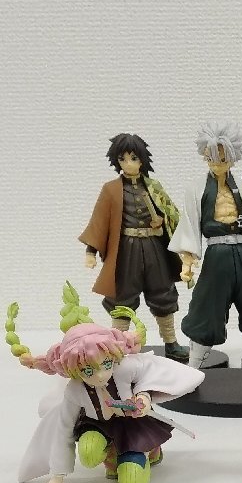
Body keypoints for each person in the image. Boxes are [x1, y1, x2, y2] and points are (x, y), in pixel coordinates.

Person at [9, 283, 203, 483]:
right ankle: (110, 456)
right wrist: (57, 475)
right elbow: (64, 429)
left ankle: (146, 452)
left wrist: (143, 398)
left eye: (107, 363)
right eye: (87, 370)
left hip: (132, 424)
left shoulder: (126, 368)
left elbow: (148, 376)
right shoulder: (75, 390)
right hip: (96, 425)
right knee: (89, 451)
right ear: (72, 370)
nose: (100, 375)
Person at [169, 122, 242, 368]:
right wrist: (187, 261)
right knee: (205, 306)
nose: (216, 163)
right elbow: (190, 224)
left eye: (222, 158)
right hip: (216, 255)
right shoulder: (197, 188)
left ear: (233, 156)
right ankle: (195, 361)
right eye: (211, 157)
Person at [80, 133, 189, 361]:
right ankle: (116, 346)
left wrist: (161, 221)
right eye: (122, 159)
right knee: (122, 296)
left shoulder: (154, 187)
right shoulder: (111, 189)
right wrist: (91, 251)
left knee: (163, 292)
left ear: (142, 160)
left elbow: (172, 214)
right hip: (127, 251)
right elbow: (99, 221)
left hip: (154, 248)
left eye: (133, 158)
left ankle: (171, 342)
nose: (128, 163)